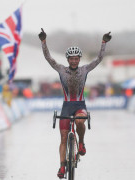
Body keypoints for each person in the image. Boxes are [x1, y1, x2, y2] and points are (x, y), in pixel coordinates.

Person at [38, 28, 112, 178]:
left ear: (79, 59)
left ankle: (82, 143)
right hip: (66, 106)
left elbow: (98, 59)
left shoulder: (84, 69)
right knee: (63, 138)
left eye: (76, 58)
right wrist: (43, 42)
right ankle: (62, 167)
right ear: (67, 59)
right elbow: (48, 58)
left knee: (79, 121)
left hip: (79, 105)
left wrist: (103, 42)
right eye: (71, 58)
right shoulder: (61, 69)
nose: (73, 60)